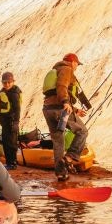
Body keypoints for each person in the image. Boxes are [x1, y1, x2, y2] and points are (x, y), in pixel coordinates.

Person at [42, 53, 90, 181]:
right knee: (82, 131)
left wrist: (75, 110)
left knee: (58, 141)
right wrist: (65, 102)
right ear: (73, 62)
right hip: (60, 109)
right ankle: (69, 158)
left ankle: (61, 173)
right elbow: (61, 86)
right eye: (77, 64)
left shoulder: (56, 70)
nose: (76, 67)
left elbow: (53, 96)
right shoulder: (67, 69)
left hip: (48, 110)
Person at [0, 71, 22, 170]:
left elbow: (17, 109)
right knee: (6, 142)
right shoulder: (3, 92)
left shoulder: (14, 94)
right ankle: (9, 162)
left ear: (13, 82)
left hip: (11, 121)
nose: (7, 84)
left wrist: (16, 122)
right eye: (4, 82)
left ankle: (12, 163)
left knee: (11, 143)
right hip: (5, 122)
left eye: (9, 82)